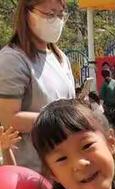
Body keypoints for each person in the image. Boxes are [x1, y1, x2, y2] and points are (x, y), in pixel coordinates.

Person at [0, 0, 75, 173]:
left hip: (66, 170)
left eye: (61, 14)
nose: (56, 20)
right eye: (50, 14)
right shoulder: (12, 59)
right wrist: (63, 120)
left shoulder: (60, 57)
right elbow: (9, 120)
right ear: (27, 13)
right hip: (31, 172)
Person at [99, 64, 115, 138]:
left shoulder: (105, 84)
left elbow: (101, 97)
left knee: (109, 125)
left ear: (103, 76)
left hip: (109, 108)